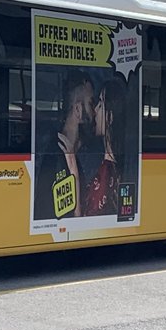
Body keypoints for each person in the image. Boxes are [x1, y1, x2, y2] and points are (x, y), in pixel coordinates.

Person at [33, 71, 94, 220]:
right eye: (91, 104)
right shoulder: (54, 155)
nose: (95, 111)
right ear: (78, 110)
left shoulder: (77, 152)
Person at [82, 74, 129, 217]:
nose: (95, 109)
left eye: (101, 104)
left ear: (110, 117)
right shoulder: (117, 167)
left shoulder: (106, 174)